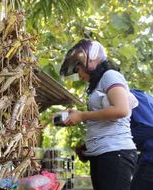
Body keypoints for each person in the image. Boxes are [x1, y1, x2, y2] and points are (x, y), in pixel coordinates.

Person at [59, 39, 138, 190]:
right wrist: (88, 145)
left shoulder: (110, 75)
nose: (78, 74)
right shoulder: (98, 84)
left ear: (89, 59)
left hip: (116, 153)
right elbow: (103, 120)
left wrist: (82, 116)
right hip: (102, 154)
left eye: (78, 69)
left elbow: (121, 109)